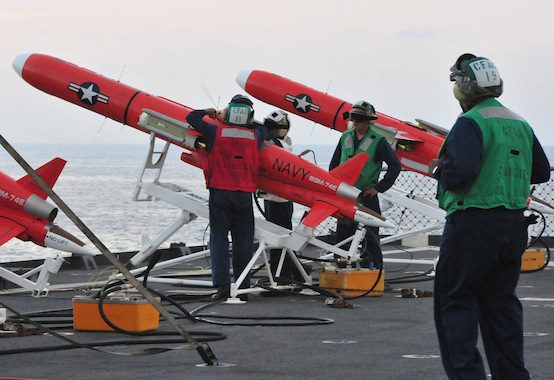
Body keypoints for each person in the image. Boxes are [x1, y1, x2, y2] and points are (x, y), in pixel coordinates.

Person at [432, 53, 550, 379]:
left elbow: (461, 172)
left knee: (456, 303)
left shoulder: (472, 122)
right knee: (501, 307)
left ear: (464, 88)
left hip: (471, 224)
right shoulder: (519, 122)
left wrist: (441, 169)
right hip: (511, 228)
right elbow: (540, 170)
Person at [186, 94, 267, 301]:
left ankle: (222, 286)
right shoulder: (255, 135)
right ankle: (242, 285)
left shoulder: (215, 131)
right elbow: (263, 128)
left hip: (220, 191)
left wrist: (210, 113)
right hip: (244, 195)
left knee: (219, 239)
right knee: (243, 241)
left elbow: (191, 118)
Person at [329, 101, 401, 268]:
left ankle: (375, 271)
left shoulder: (378, 141)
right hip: (346, 195)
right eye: (354, 119)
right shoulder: (345, 137)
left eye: (360, 119)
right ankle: (341, 270)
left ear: (369, 120)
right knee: (342, 236)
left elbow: (394, 166)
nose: (356, 123)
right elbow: (333, 165)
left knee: (370, 237)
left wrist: (378, 188)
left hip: (366, 196)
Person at [258, 110, 301, 283]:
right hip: (278, 198)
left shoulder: (275, 145)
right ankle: (290, 273)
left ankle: (282, 276)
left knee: (278, 240)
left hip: (277, 200)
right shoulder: (284, 143)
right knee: (282, 238)